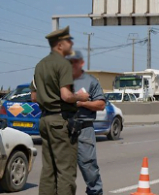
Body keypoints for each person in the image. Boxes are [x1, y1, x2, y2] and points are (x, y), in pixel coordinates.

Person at [30, 26, 90, 195]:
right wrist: (80, 97)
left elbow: (34, 97)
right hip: (60, 120)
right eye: (68, 40)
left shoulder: (40, 65)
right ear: (59, 45)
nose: (71, 43)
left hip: (45, 121)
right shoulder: (63, 64)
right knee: (66, 171)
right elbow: (65, 95)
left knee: (48, 169)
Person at [66, 50, 106, 195]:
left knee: (89, 168)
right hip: (63, 129)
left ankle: (95, 192)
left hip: (84, 130)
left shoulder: (91, 81)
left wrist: (82, 104)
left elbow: (100, 104)